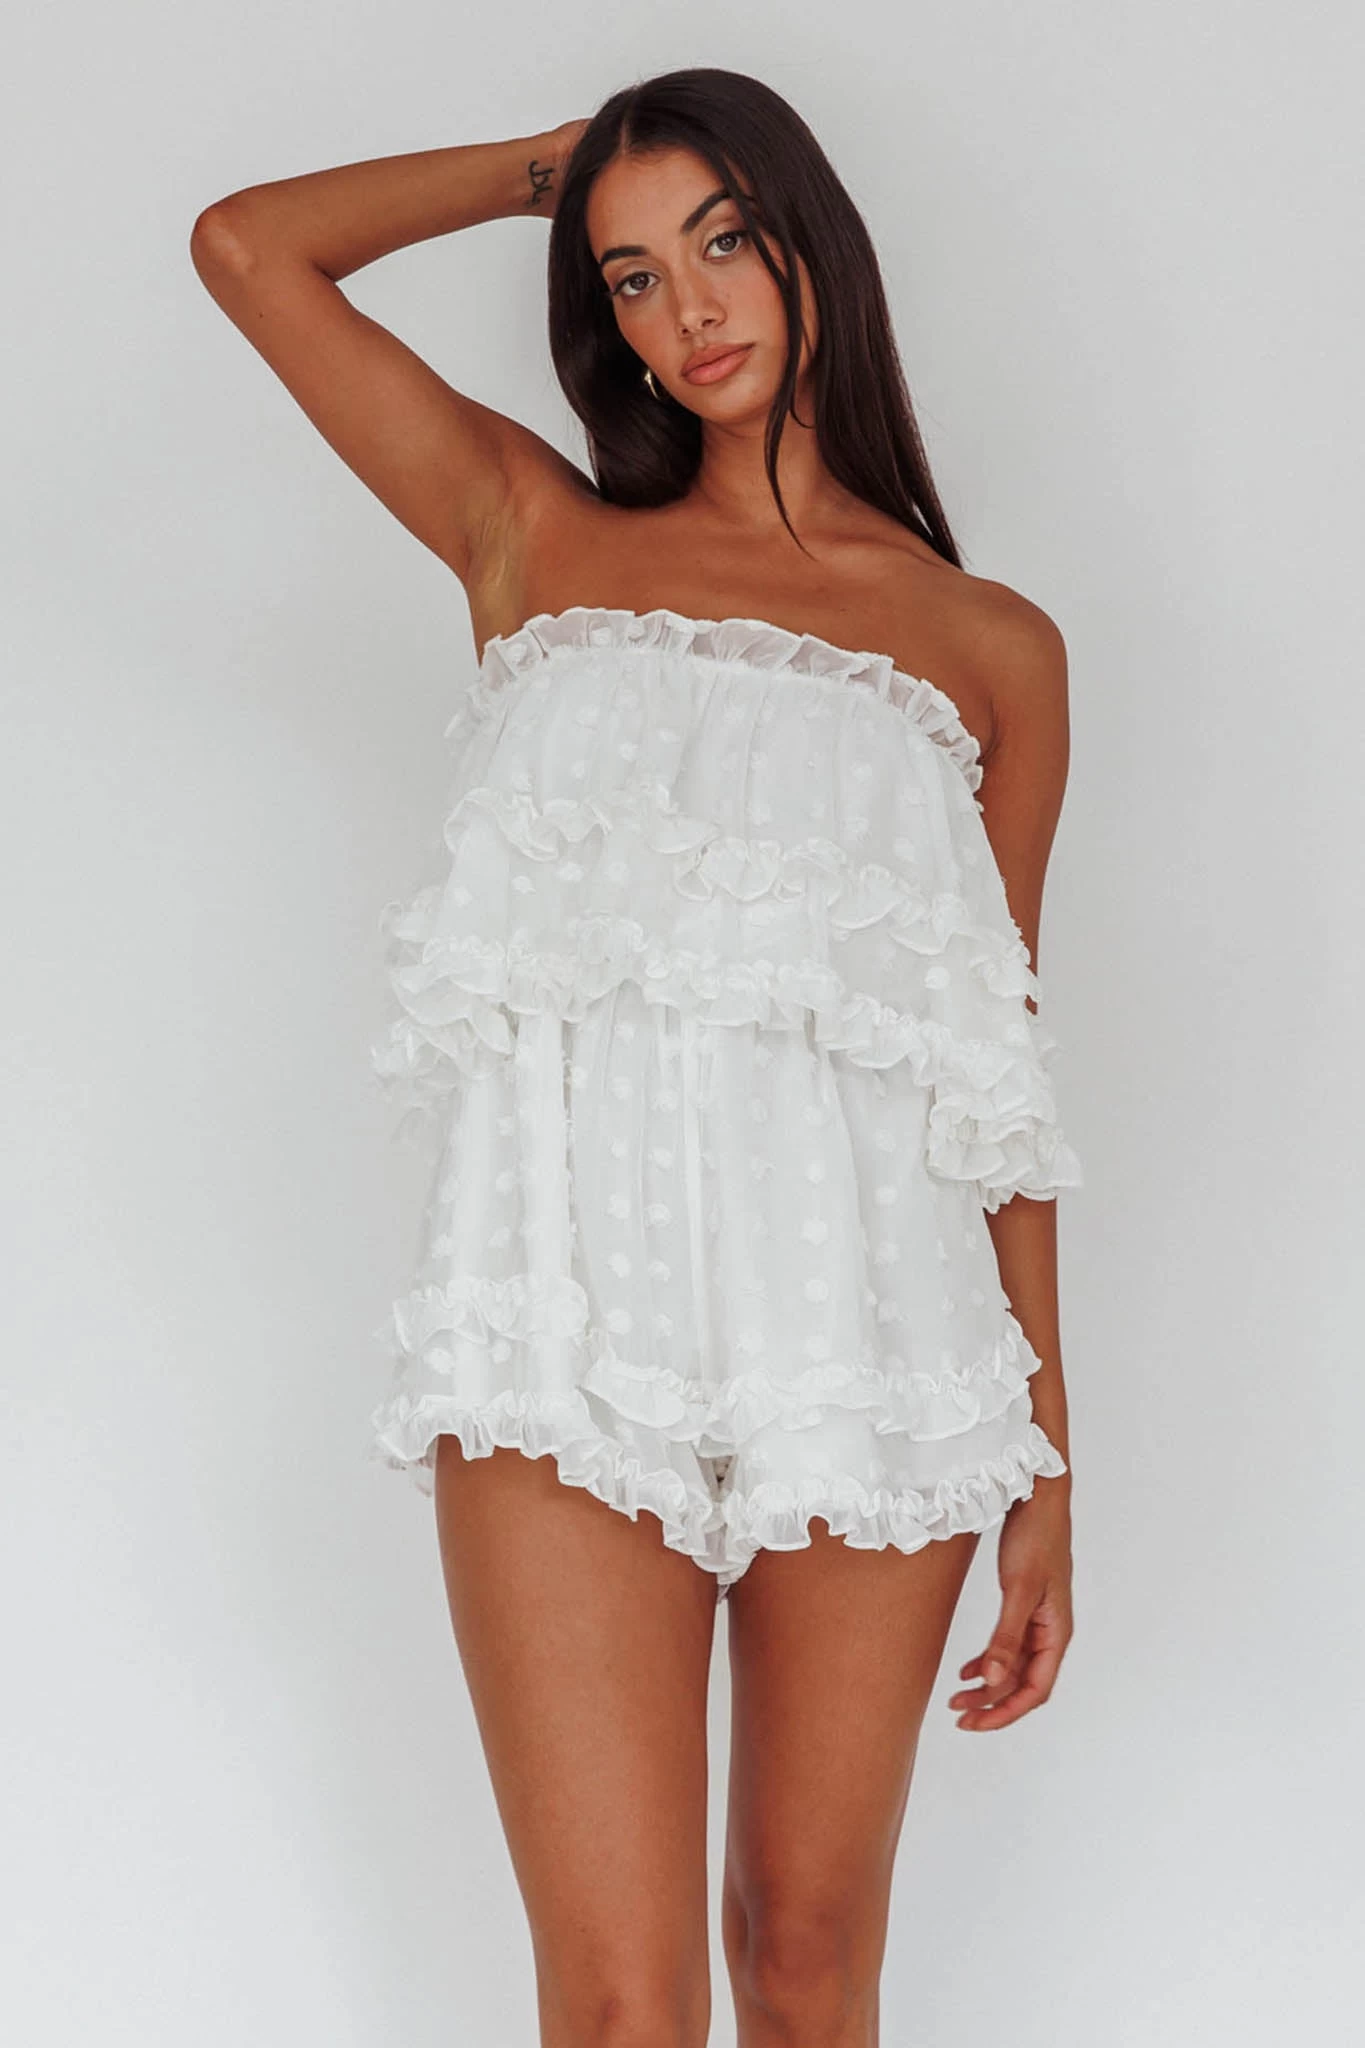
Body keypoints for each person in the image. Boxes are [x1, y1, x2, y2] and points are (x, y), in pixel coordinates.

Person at [191, 65, 1084, 2048]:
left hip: (875, 1343)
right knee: (614, 2004)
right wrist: (553, 169)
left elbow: (992, 1066)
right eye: (631, 275)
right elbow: (247, 249)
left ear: (808, 236)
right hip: (562, 1329)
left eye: (722, 240)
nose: (689, 307)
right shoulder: (533, 535)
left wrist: (1047, 1463)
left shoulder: (988, 649)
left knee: (806, 1966)